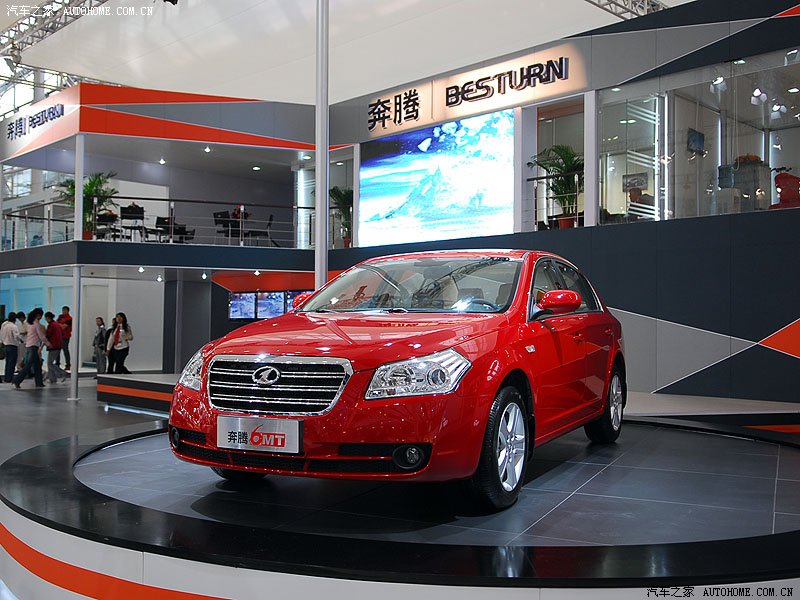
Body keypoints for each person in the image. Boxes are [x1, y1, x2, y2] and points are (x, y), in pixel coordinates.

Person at [12, 309, 47, 389]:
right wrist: (48, 343)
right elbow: (41, 335)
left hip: (30, 345)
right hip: (33, 346)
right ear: (38, 315)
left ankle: (39, 382)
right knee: (28, 365)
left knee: (37, 365)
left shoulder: (29, 323)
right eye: (40, 315)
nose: (41, 317)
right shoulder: (35, 324)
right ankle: (17, 380)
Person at [43, 312, 68, 384]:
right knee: (50, 363)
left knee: (50, 363)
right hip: (58, 345)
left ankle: (62, 373)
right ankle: (52, 379)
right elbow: (62, 333)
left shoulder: (51, 325)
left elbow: (48, 335)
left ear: (47, 317)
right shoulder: (57, 324)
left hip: (53, 346)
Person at [1, 313, 22, 383]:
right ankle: (10, 378)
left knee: (7, 363)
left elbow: (1, 335)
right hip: (13, 346)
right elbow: (16, 336)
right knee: (12, 363)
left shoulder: (4, 326)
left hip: (6, 346)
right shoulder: (14, 326)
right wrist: (21, 340)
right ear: (15, 319)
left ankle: (7, 378)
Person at [56, 306, 73, 370]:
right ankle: (57, 364)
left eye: (65, 310)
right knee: (57, 350)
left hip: (65, 336)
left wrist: (58, 325)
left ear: (68, 311)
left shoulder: (69, 319)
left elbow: (64, 327)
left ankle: (68, 365)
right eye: (63, 310)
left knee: (65, 350)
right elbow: (55, 324)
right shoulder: (60, 317)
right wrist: (60, 325)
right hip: (59, 336)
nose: (63, 312)